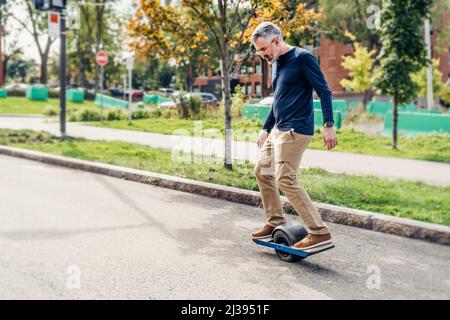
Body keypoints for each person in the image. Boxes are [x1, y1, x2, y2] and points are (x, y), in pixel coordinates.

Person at [250, 22, 338, 253]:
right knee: (262, 171)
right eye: (258, 51)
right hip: (278, 129)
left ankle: (319, 232)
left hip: (296, 130)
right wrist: (265, 128)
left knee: (286, 179)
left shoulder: (303, 58)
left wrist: (329, 124)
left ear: (276, 41)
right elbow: (278, 101)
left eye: (263, 49)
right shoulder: (276, 63)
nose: (262, 55)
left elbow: (324, 90)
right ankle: (275, 220)